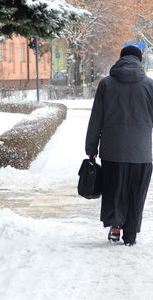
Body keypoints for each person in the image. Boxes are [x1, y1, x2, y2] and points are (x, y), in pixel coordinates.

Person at [85, 45, 153, 246]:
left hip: (112, 151)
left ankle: (115, 226)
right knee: (136, 192)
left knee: (114, 190)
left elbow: (96, 118)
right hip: (141, 153)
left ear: (120, 59)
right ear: (139, 61)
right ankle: (130, 234)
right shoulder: (150, 86)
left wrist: (91, 148)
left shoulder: (106, 84)